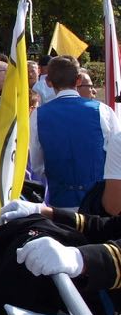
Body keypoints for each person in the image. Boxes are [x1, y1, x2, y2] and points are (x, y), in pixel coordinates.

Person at [29, 55, 121, 210]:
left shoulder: (38, 115)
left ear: (48, 82)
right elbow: (117, 156)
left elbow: (37, 164)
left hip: (59, 203)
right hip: (97, 204)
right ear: (79, 80)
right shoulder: (103, 111)